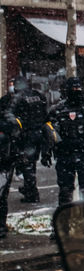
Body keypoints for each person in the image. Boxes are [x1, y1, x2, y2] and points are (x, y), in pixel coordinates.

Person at [45, 77, 84, 205]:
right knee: (65, 192)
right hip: (65, 154)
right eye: (73, 88)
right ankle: (66, 216)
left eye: (78, 88)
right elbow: (50, 130)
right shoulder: (59, 108)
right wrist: (47, 151)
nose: (76, 90)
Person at [1, 77, 46, 202]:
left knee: (26, 164)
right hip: (37, 134)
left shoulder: (18, 97)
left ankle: (31, 192)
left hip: (25, 135)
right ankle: (29, 189)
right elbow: (44, 113)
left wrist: (17, 125)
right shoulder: (38, 95)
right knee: (30, 163)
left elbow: (9, 115)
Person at [0, 99, 17, 238]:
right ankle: (1, 226)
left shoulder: (7, 123)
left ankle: (1, 226)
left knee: (2, 197)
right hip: (5, 165)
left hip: (4, 165)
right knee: (2, 197)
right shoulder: (9, 121)